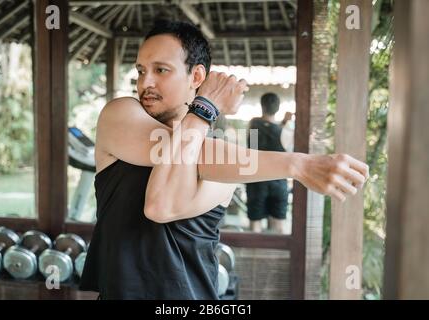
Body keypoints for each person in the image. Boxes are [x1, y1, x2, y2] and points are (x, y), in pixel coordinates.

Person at [79, 20, 369, 300]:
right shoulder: (119, 114)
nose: (145, 82)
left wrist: (202, 115)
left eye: (161, 70)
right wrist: (297, 164)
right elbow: (173, 165)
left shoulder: (225, 156)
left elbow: (164, 202)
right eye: (141, 71)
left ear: (196, 76)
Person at [246, 93, 292, 234]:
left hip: (256, 180)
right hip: (278, 182)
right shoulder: (285, 131)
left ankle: (253, 255)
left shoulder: (253, 124)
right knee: (278, 226)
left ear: (262, 106)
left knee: (255, 227)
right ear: (278, 109)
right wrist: (284, 123)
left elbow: (252, 151)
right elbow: (277, 138)